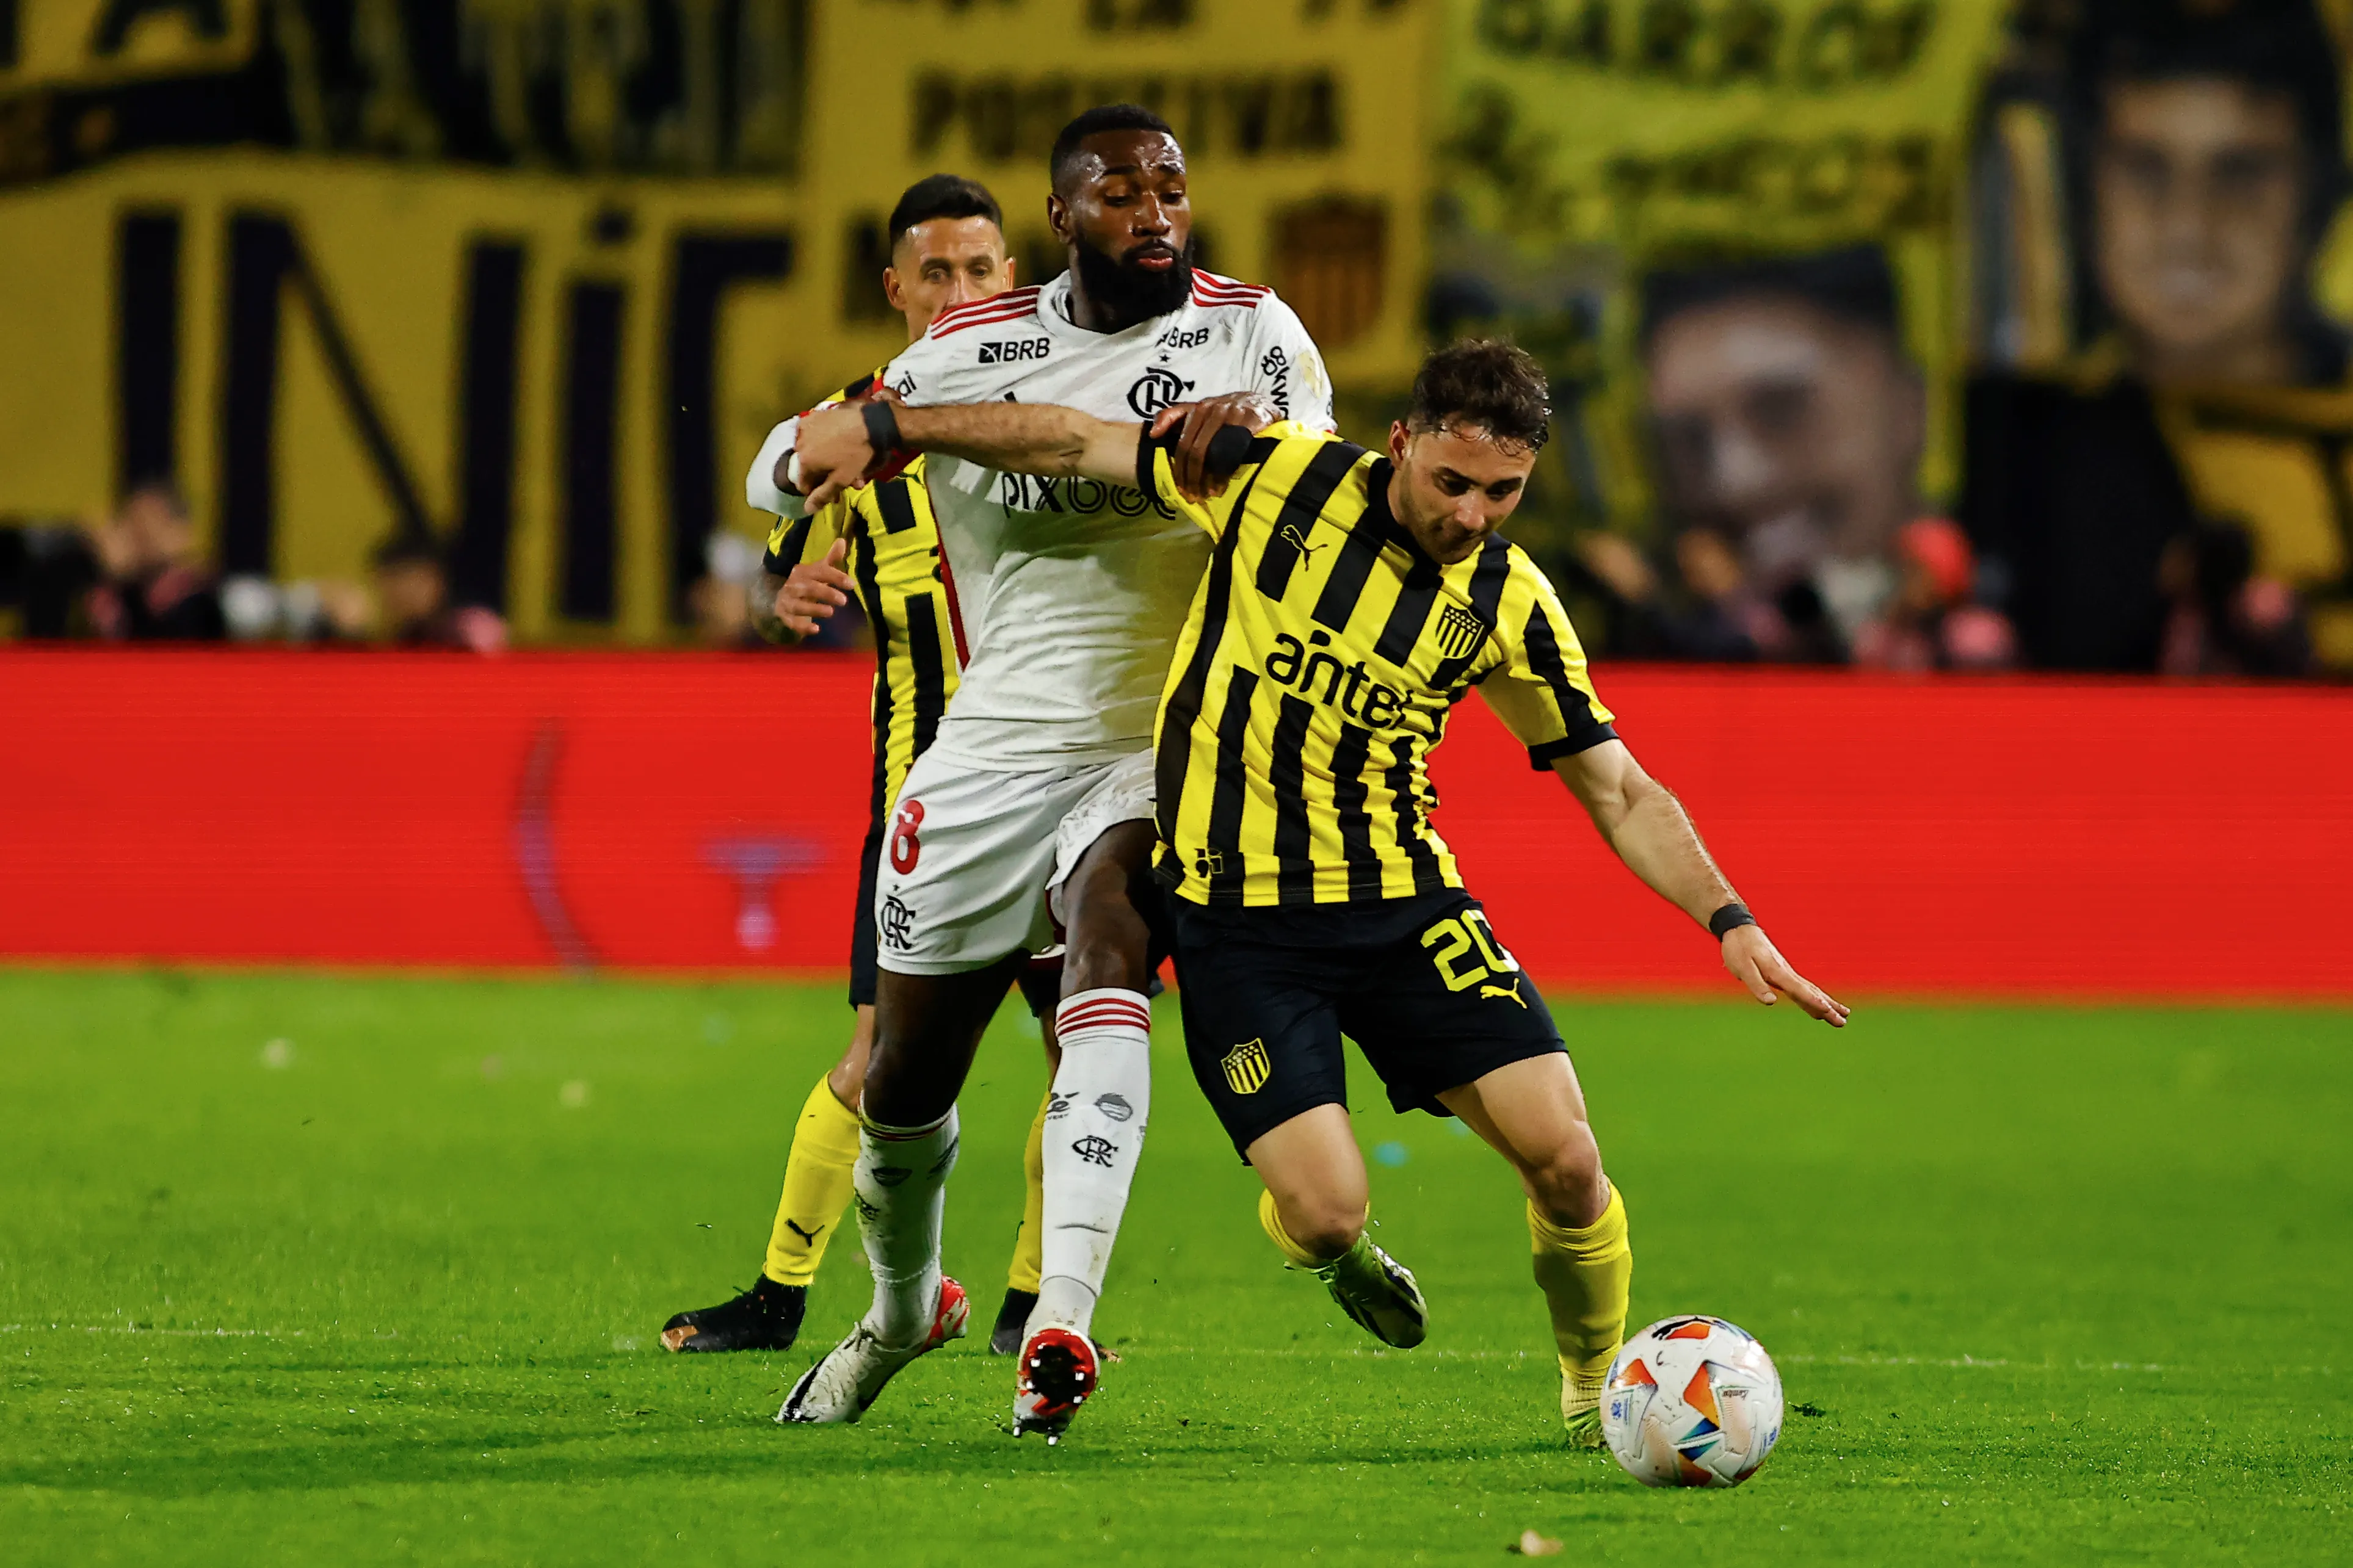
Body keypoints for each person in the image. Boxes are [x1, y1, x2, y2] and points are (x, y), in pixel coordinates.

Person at [802, 338, 1847, 1445]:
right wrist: (894, 428)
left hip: (1403, 908)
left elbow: (1619, 788)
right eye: (1450, 481)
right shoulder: (1273, 480)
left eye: (1503, 491)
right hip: (1238, 927)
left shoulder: (1509, 599)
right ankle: (1336, 1254)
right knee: (1323, 1208)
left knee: (1567, 1156)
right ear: (1398, 443)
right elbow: (1075, 437)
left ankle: (1597, 1394)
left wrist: (1727, 919)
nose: (1471, 512)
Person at [769, 103, 1334, 1439]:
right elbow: (782, 463)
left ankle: (1059, 1317)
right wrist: (816, 457)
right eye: (1122, 193)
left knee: (1110, 949)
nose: (1154, 213)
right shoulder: (973, 345)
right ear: (1063, 213)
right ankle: (901, 1309)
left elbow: (1308, 492)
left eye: (1172, 189)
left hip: (1157, 742)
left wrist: (1258, 444)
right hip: (986, 753)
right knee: (906, 1080)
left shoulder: (1253, 327)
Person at [664, 173, 1064, 1359]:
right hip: (923, 801)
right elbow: (765, 561)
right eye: (933, 273)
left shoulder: (1064, 405)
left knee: (1080, 1043)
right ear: (894, 289)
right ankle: (782, 1293)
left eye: (980, 270)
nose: (958, 293)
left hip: (1069, 788)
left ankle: (1031, 1300)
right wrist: (772, 595)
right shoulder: (853, 430)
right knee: (876, 1059)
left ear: (1015, 279)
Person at [1966, 0, 2353, 670]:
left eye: (2241, 171)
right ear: (2085, 189)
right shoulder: (2035, 441)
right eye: (2144, 167)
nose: (2187, 229)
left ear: (2318, 195)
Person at [87, 482, 225, 642]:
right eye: (133, 525)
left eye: (152, 524)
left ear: (182, 531)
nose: (142, 538)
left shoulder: (199, 599)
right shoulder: (123, 594)